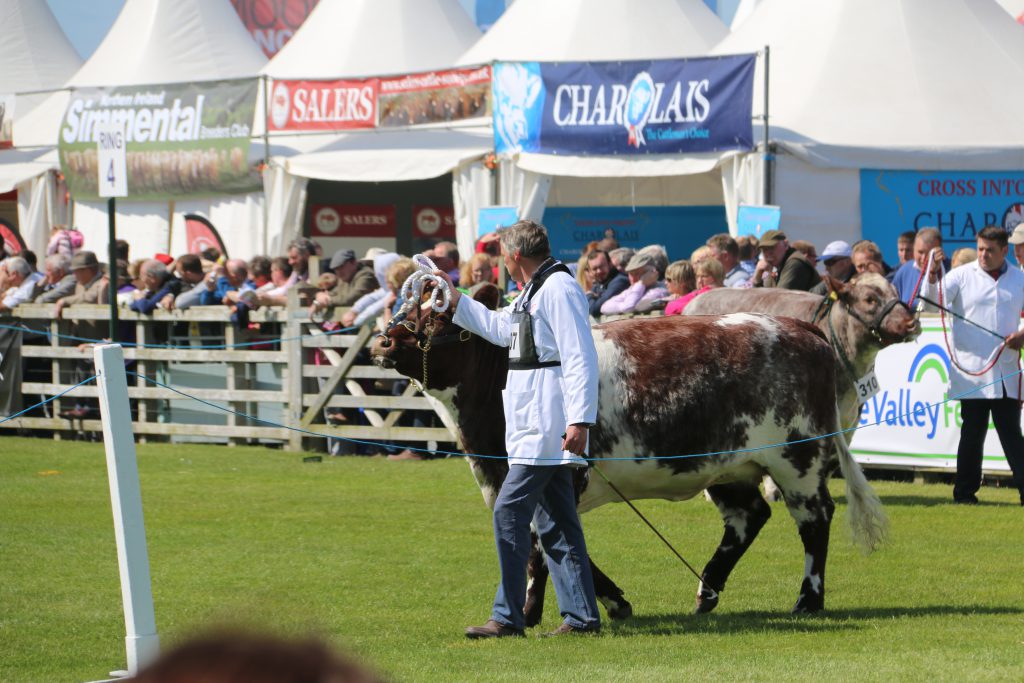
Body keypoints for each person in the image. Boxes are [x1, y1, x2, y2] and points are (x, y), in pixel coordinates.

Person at [436, 219, 601, 639]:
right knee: (556, 522)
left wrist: (580, 419)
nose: (502, 265)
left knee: (509, 510)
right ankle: (582, 618)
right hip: (534, 420)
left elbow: (580, 355)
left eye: (502, 257)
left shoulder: (558, 289)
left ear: (514, 256)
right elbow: (499, 329)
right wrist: (454, 299)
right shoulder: (534, 289)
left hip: (548, 421)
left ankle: (508, 617)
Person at [919, 226, 1024, 506]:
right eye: (980, 249)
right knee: (972, 433)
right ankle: (964, 494)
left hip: (1005, 370)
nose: (983, 255)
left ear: (1004, 251)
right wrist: (932, 273)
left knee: (1011, 434)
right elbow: (931, 303)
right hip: (971, 373)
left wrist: (1023, 335)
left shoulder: (1019, 279)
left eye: (990, 250)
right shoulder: (961, 275)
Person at [599, 251, 668, 316]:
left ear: (651, 273)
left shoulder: (659, 290)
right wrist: (623, 306)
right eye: (630, 274)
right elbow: (604, 307)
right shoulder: (633, 289)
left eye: (636, 273)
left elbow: (629, 307)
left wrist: (641, 283)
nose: (632, 278)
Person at [892, 226, 947, 306]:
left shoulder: (950, 271)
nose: (924, 258)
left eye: (929, 253)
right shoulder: (904, 271)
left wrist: (932, 272)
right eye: (920, 252)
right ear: (914, 249)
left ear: (939, 251)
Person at [312, 249, 378, 314]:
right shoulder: (345, 277)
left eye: (341, 267)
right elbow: (334, 293)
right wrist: (320, 295)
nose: (338, 272)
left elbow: (353, 298)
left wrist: (327, 301)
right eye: (336, 269)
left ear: (353, 262)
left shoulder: (366, 275)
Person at [753, 230, 821, 291]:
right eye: (764, 250)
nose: (768, 254)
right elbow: (763, 296)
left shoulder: (795, 263)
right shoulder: (777, 265)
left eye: (771, 248)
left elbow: (778, 297)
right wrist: (757, 277)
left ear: (785, 245)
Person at [584, 249, 629, 318]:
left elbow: (594, 309)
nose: (599, 271)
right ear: (590, 271)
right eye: (594, 268)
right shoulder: (599, 283)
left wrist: (589, 295)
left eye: (601, 266)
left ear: (610, 264)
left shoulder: (620, 281)